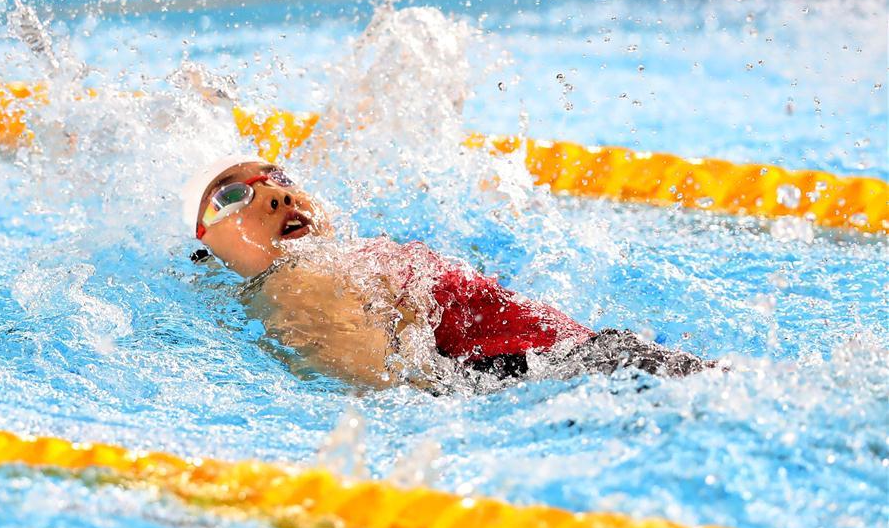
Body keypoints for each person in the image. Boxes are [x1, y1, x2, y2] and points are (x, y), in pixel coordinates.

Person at [184, 155, 715, 390]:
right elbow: (381, 380)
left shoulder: (336, 266)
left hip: (577, 368)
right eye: (234, 196)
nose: (278, 193)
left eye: (276, 176)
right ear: (205, 248)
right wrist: (410, 315)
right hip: (560, 376)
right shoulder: (292, 283)